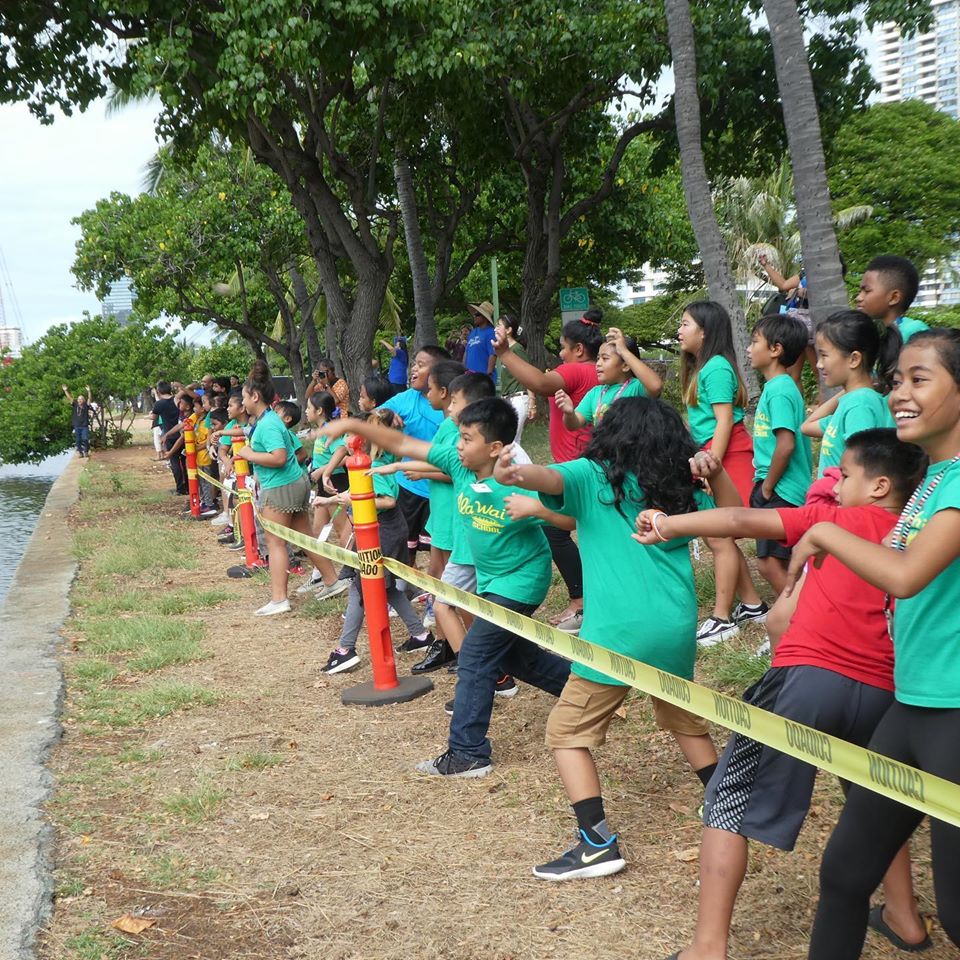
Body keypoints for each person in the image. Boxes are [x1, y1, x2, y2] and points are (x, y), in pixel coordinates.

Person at [636, 429, 930, 960]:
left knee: (727, 802)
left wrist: (665, 524)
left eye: (845, 474)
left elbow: (737, 521)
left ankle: (706, 947)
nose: (834, 483)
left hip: (806, 680)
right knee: (877, 807)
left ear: (880, 484)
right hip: (887, 694)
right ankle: (904, 917)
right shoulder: (920, 541)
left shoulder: (832, 522)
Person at [495, 399, 725, 880]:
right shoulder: (683, 488)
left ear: (611, 437)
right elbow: (735, 515)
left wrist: (515, 472)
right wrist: (715, 471)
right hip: (676, 625)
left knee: (566, 733)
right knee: (683, 718)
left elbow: (549, 479)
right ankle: (728, 802)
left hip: (616, 635)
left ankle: (596, 843)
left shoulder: (592, 475)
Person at [785, 330, 960, 958]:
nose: (901, 394)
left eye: (921, 379)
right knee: (845, 874)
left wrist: (827, 534)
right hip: (910, 704)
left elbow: (908, 576)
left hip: (953, 713)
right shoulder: (936, 480)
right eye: (898, 381)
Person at [322, 398, 574, 777]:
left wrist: (537, 511)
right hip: (491, 580)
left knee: (474, 653)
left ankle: (468, 752)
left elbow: (569, 518)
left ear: (494, 448)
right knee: (511, 655)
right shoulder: (460, 465)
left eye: (467, 438)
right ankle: (585, 692)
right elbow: (405, 445)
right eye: (459, 436)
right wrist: (353, 428)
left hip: (522, 581)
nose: (458, 444)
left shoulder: (520, 478)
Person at [493, 311, 603, 633]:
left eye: (564, 347)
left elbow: (540, 384)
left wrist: (504, 354)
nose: (560, 355)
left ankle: (581, 603)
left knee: (556, 530)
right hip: (582, 462)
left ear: (579, 349)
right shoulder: (595, 373)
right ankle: (588, 600)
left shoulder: (576, 370)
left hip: (575, 466)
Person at [678, 301, 766, 645]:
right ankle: (753, 604)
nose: (680, 330)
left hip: (728, 454)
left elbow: (725, 421)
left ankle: (722, 617)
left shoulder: (715, 368)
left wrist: (710, 465)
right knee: (718, 535)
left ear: (705, 331)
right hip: (715, 453)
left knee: (719, 535)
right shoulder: (706, 367)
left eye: (686, 324)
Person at [320, 409, 434, 674]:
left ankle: (345, 650)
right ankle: (420, 635)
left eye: (350, 436)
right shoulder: (363, 465)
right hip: (380, 530)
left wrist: (356, 500)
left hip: (383, 531)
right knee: (386, 587)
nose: (346, 442)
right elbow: (357, 493)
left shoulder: (373, 468)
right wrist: (328, 500)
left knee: (362, 587)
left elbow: (387, 500)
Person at [234, 360, 348, 615]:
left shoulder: (267, 424)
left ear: (255, 396)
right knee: (304, 537)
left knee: (276, 542)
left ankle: (279, 598)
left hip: (280, 487)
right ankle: (332, 581)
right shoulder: (270, 420)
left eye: (244, 398)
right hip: (294, 483)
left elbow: (278, 456)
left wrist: (248, 454)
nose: (243, 404)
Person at [746, 313, 813, 592]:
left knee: (769, 563)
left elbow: (786, 445)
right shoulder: (776, 387)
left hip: (782, 491)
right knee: (780, 562)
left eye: (754, 342)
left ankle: (795, 619)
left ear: (775, 349)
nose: (749, 349)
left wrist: (767, 489)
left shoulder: (781, 390)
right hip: (777, 487)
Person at [802, 309, 899, 480]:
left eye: (824, 355)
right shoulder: (852, 400)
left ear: (854, 359)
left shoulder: (860, 405)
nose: (818, 364)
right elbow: (807, 426)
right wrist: (845, 391)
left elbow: (861, 471)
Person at [380, 344, 449, 565]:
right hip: (408, 487)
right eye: (413, 364)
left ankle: (437, 592)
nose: (413, 370)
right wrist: (386, 415)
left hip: (441, 491)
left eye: (421, 365)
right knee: (405, 546)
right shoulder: (406, 398)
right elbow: (371, 416)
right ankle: (404, 589)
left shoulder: (451, 408)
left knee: (438, 549)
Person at [556, 327, 662, 430]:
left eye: (605, 358)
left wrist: (623, 351)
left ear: (625, 365)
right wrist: (569, 413)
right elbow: (573, 424)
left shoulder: (636, 388)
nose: (598, 364)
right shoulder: (595, 393)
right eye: (598, 358)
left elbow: (655, 386)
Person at [856, 254, 928, 344]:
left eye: (866, 291)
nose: (858, 298)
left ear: (893, 298)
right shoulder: (869, 333)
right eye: (860, 291)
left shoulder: (914, 332)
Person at [495, 314, 538, 445]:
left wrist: (532, 402)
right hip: (507, 399)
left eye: (499, 326)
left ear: (508, 330)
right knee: (511, 441)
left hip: (519, 399)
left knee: (511, 440)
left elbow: (528, 375)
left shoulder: (517, 349)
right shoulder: (503, 350)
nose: (495, 328)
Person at [464, 302, 497, 379]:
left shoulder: (491, 332)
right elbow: (466, 352)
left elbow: (493, 354)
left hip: (483, 378)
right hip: (469, 377)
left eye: (477, 314)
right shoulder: (473, 332)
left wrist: (488, 374)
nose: (474, 316)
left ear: (485, 317)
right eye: (474, 314)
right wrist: (463, 370)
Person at [62, 383, 92, 457]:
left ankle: (86, 451)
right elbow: (69, 398)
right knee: (78, 441)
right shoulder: (75, 404)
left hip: (84, 426)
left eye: (81, 399)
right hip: (77, 426)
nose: (80, 400)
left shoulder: (86, 405)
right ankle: (80, 452)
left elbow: (89, 399)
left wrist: (89, 391)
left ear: (83, 400)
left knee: (85, 439)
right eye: (79, 399)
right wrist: (65, 391)